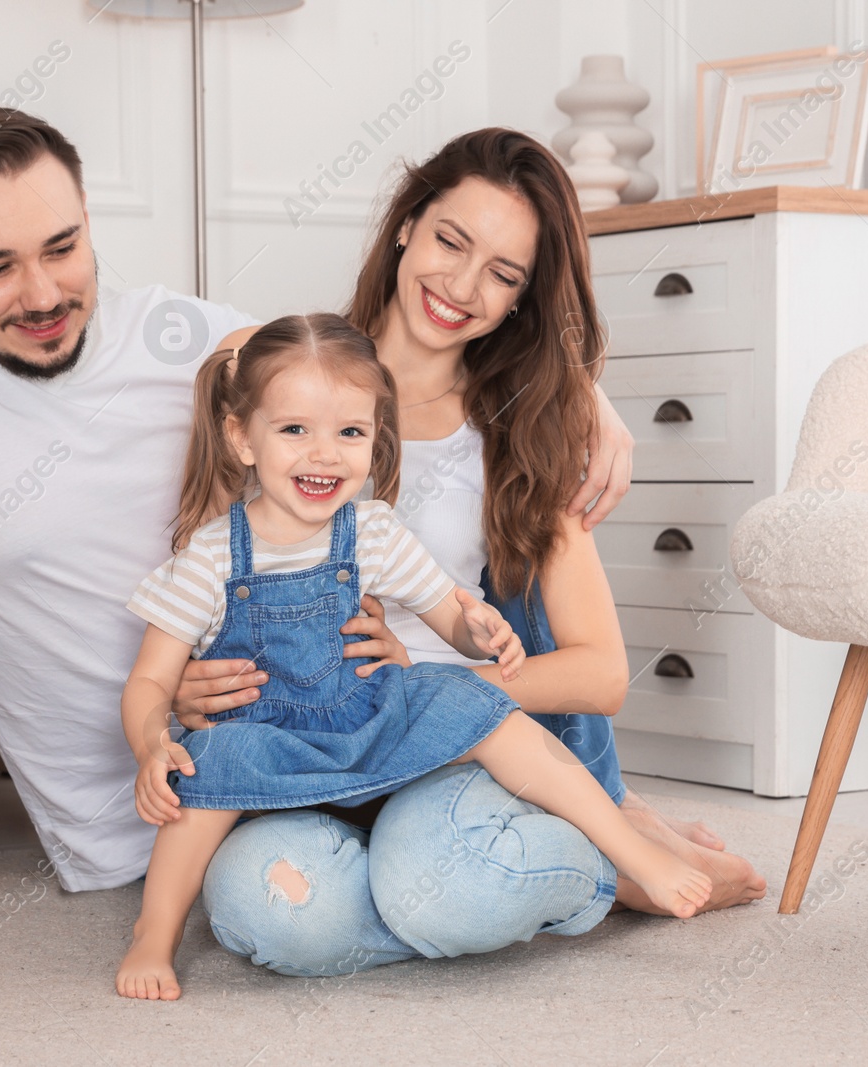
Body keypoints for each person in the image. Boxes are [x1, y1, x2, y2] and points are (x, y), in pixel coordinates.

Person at [0, 111, 657, 962]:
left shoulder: (190, 337)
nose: (43, 292)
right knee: (281, 923)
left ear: (96, 220)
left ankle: (575, 842)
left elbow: (361, 383)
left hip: (333, 732)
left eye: (64, 245)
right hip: (189, 795)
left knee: (433, 872)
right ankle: (555, 846)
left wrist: (576, 393)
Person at [181, 129, 767, 979]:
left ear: (525, 299)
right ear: (408, 224)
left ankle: (606, 864)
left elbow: (600, 672)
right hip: (304, 741)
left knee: (436, 888)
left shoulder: (522, 430)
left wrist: (430, 697)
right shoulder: (265, 365)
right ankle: (592, 832)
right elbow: (202, 564)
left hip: (453, 745)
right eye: (453, 241)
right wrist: (192, 677)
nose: (461, 287)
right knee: (260, 909)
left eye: (504, 273)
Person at [114, 314, 715, 1000]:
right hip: (273, 738)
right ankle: (152, 934)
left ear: (376, 439)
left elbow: (446, 610)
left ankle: (629, 848)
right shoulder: (212, 556)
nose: (324, 455)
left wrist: (482, 629)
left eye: (350, 432)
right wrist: (150, 743)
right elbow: (150, 679)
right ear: (239, 437)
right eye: (293, 431)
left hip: (367, 710)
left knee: (478, 702)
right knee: (204, 771)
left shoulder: (370, 531)